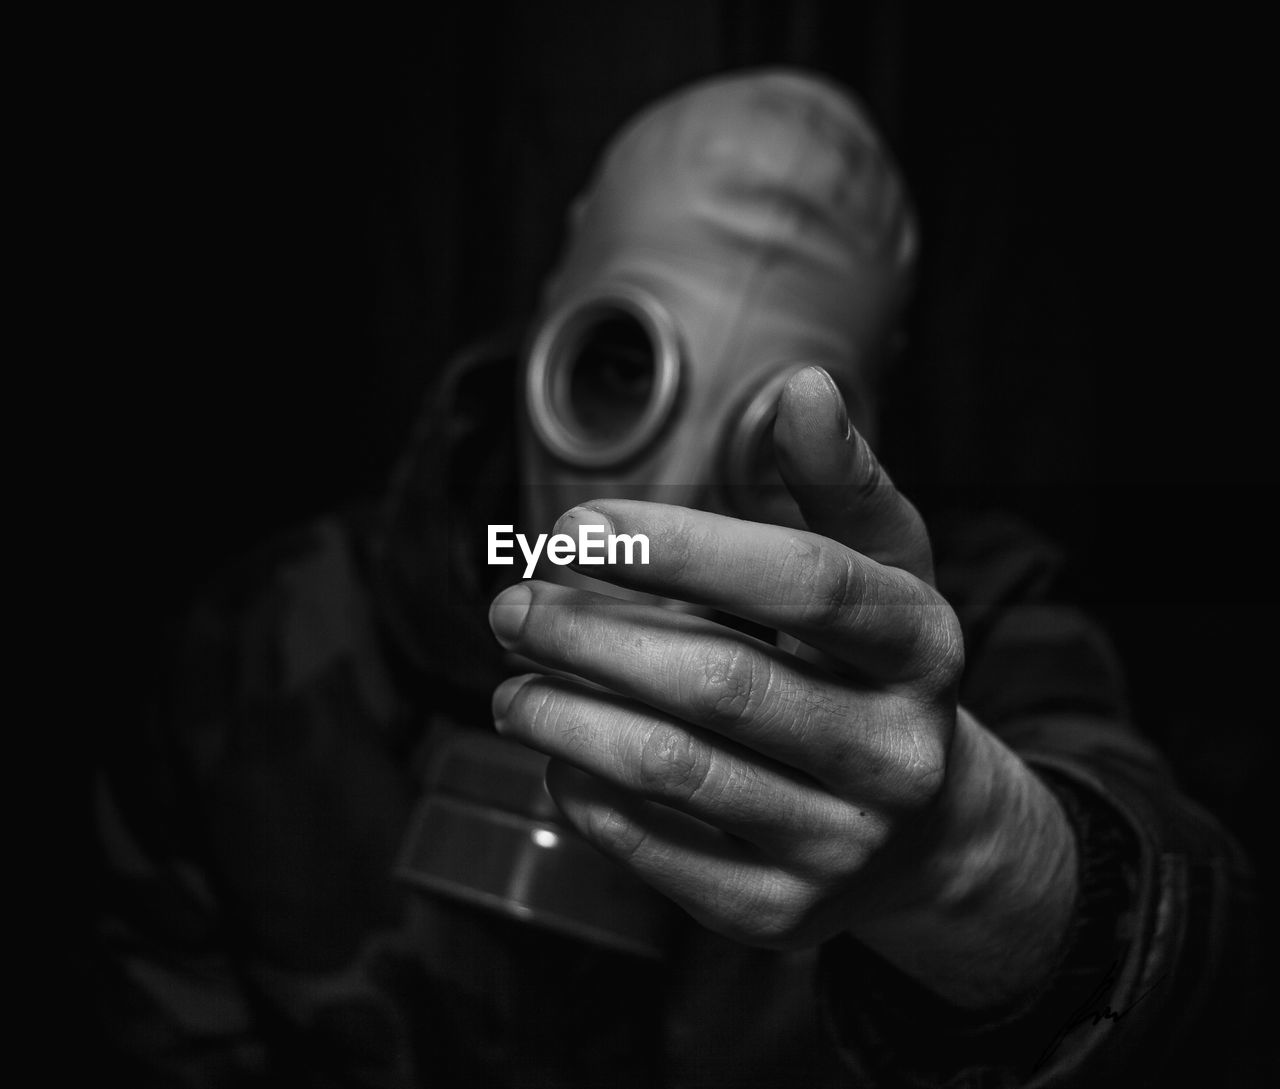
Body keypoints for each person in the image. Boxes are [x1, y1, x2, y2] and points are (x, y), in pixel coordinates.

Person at [94, 69, 1256, 1087]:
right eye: (620, 370)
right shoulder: (260, 648)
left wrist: (968, 851)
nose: (666, 494)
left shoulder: (976, 635)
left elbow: (1209, 985)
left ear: (859, 416)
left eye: (761, 437)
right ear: (546, 306)